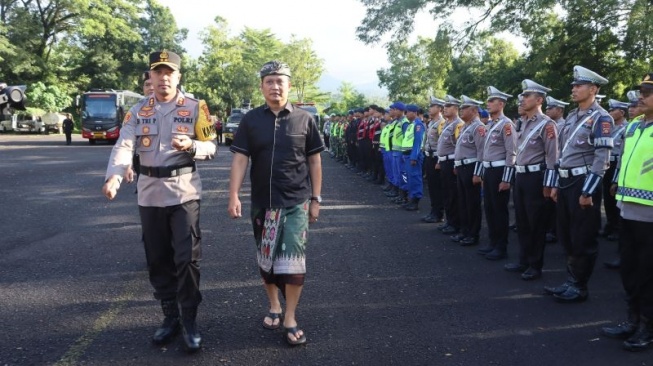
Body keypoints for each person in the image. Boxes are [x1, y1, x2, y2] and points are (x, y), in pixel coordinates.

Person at [102, 50, 217, 352]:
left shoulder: (195, 107)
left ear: (178, 76)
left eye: (170, 73)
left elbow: (211, 146)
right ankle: (170, 317)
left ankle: (190, 319)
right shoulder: (138, 110)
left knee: (186, 259)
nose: (163, 78)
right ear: (150, 77)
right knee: (157, 259)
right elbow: (124, 144)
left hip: (183, 193)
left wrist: (192, 145)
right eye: (158, 72)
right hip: (150, 193)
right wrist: (113, 175)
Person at [227, 60, 324, 346]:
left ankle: (291, 317)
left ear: (288, 85)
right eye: (269, 81)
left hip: (296, 202)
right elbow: (240, 158)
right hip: (263, 203)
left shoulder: (305, 119)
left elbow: (315, 160)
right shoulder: (250, 120)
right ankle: (274, 305)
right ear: (262, 87)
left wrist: (316, 199)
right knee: (266, 260)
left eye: (280, 81)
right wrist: (233, 194)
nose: (275, 86)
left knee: (294, 263)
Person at [546, 66, 613, 303]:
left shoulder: (601, 118)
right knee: (566, 234)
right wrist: (555, 183)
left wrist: (588, 191)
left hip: (583, 183)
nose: (573, 89)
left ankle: (580, 286)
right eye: (573, 85)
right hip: (565, 181)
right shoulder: (573, 116)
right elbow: (562, 155)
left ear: (593, 89)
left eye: (579, 85)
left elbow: (602, 159)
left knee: (583, 236)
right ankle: (570, 280)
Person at [601, 73, 653, 352]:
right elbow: (622, 160)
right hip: (627, 210)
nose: (641, 97)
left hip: (650, 216)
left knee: (648, 274)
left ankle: (647, 326)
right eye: (641, 91)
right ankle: (632, 320)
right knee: (630, 271)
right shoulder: (634, 125)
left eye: (647, 92)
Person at [504, 80, 558, 281]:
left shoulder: (547, 124)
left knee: (536, 223)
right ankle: (523, 259)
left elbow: (553, 157)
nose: (523, 99)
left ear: (539, 100)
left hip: (537, 178)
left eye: (527, 96)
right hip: (521, 176)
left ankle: (535, 265)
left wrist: (549, 184)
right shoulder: (523, 122)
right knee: (523, 221)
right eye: (523, 96)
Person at [477, 86, 516, 260]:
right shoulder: (491, 124)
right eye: (488, 100)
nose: (488, 103)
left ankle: (501, 247)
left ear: (501, 104)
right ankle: (493, 243)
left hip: (500, 171)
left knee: (500, 211)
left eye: (492, 101)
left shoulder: (506, 124)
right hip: (489, 170)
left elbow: (511, 153)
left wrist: (506, 178)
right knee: (490, 209)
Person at [451, 95, 486, 246]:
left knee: (472, 203)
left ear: (474, 110)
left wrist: (478, 173)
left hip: (471, 168)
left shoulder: (479, 127)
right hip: (462, 167)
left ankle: (473, 234)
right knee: (463, 201)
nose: (461, 110)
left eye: (464, 108)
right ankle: (464, 231)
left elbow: (481, 152)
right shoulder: (466, 126)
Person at [543, 96, 570, 244]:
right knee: (547, 201)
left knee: (554, 201)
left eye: (550, 108)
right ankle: (549, 228)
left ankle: (554, 230)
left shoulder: (562, 126)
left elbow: (560, 150)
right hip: (548, 165)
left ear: (559, 110)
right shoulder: (550, 124)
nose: (547, 110)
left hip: (556, 166)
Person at [437, 95, 464, 235]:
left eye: (448, 107)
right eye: (444, 107)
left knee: (453, 195)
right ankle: (449, 221)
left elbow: (458, 146)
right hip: (444, 161)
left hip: (451, 162)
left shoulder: (458, 124)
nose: (445, 109)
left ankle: (455, 223)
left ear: (456, 108)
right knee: (446, 193)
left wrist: (455, 165)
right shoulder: (447, 124)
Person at [422, 97, 446, 223]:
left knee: (437, 187)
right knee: (431, 186)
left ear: (439, 109)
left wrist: (439, 161)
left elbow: (442, 143)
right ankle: (433, 211)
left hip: (437, 157)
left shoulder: (442, 123)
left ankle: (438, 213)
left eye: (432, 106)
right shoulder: (431, 122)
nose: (429, 109)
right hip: (429, 157)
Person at [401, 104, 426, 211]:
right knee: (410, 179)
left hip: (413, 155)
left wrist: (414, 157)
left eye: (408, 112)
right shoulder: (411, 124)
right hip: (407, 155)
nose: (406, 114)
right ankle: (412, 199)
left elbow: (418, 141)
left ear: (414, 113)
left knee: (415, 178)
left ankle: (415, 201)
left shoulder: (418, 125)